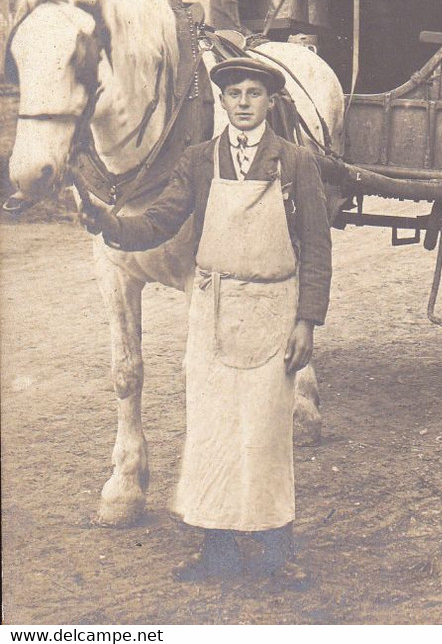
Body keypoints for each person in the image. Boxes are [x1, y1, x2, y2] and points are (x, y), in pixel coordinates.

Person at [80, 57, 332, 586]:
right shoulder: (199, 161)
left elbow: (317, 246)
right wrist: (108, 222)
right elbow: (159, 221)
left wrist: (307, 320)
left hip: (272, 310)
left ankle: (273, 553)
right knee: (213, 432)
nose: (243, 102)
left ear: (270, 103)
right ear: (221, 103)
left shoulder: (295, 162)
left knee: (264, 434)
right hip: (212, 309)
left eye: (253, 93)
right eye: (234, 93)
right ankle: (216, 549)